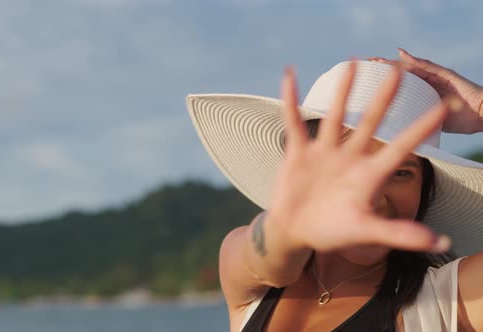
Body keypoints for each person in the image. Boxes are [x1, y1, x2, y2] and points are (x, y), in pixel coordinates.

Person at [185, 48, 483, 331]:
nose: (371, 193)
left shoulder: (455, 299)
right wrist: (292, 228)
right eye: (349, 164)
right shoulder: (253, 284)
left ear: (424, 189)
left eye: (401, 172)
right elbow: (265, 260)